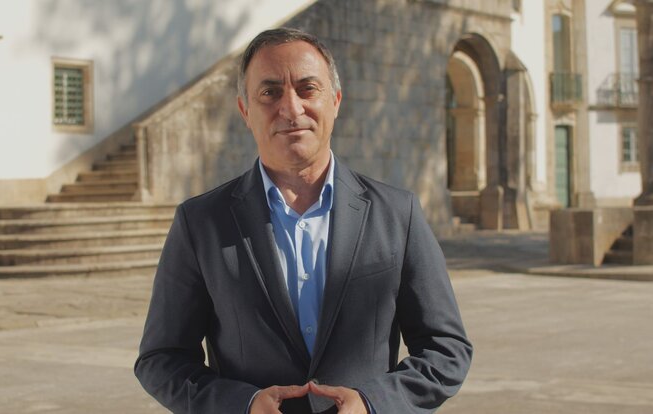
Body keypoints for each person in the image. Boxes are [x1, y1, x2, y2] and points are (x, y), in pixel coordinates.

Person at [135, 27, 472, 414]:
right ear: (245, 111)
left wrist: (373, 403)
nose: (291, 108)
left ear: (336, 101)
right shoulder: (201, 223)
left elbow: (446, 350)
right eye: (270, 92)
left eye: (307, 89)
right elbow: (161, 359)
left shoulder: (397, 214)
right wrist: (242, 405)